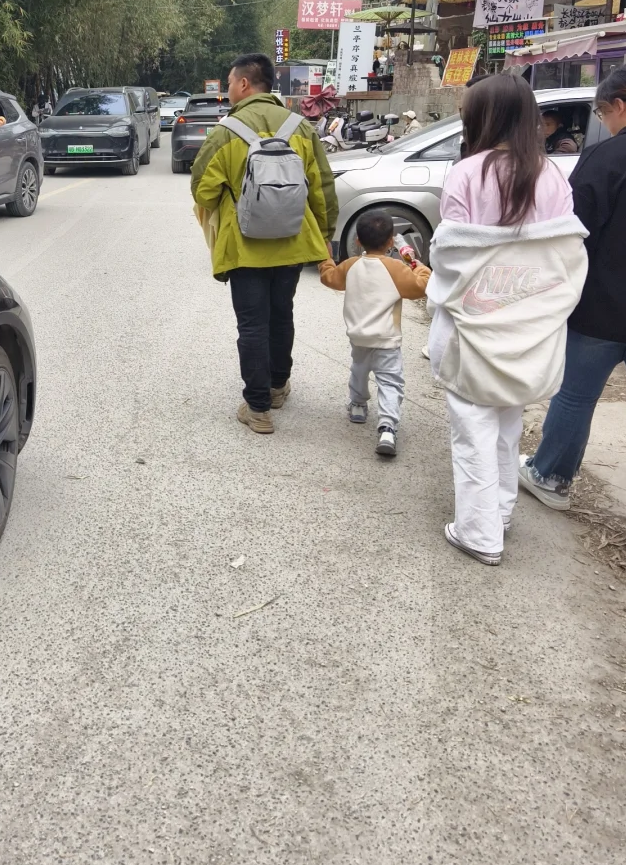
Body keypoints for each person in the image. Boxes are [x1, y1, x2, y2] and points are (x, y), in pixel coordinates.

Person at [426, 74, 588, 565]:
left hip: (473, 322)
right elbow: (561, 254)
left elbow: (451, 253)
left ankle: (479, 533)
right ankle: (499, 513)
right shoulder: (551, 174)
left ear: (482, 117)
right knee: (507, 420)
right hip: (530, 323)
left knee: (472, 426)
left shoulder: (466, 173)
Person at [191, 52, 338, 434]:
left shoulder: (226, 132)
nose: (228, 90)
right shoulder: (301, 127)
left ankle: (257, 410)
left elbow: (202, 189)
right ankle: (277, 387)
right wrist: (325, 234)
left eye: (229, 83)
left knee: (252, 324)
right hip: (293, 241)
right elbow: (322, 186)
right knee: (281, 314)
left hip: (245, 247)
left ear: (244, 84)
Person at [519, 66, 626, 519]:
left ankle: (551, 476)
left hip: (601, 307)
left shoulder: (605, 158)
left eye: (602, 112)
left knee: (575, 396)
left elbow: (574, 234)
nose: (604, 120)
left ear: (619, 105)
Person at [318, 211, 430, 457]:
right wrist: (419, 267)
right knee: (390, 381)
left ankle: (358, 405)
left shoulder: (350, 265)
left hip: (358, 336)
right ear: (391, 241)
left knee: (359, 369)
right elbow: (420, 287)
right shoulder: (396, 268)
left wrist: (326, 258)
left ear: (358, 240)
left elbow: (330, 278)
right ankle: (387, 427)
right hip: (387, 339)